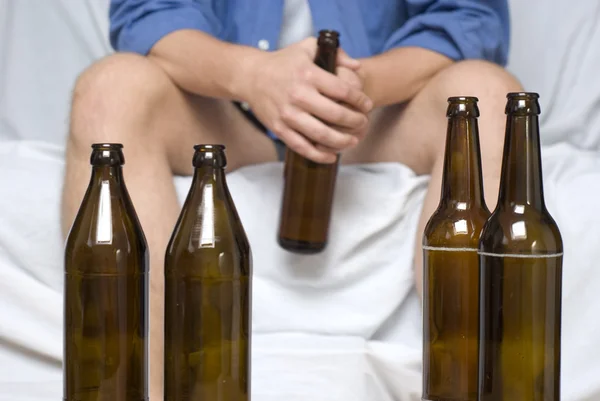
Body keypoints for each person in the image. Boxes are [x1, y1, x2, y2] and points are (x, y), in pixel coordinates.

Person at [60, 0, 522, 397]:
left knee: (490, 95)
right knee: (109, 90)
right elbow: (147, 13)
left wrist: (354, 88)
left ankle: (474, 389)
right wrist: (252, 75)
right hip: (225, 115)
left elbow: (470, 16)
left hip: (376, 118)